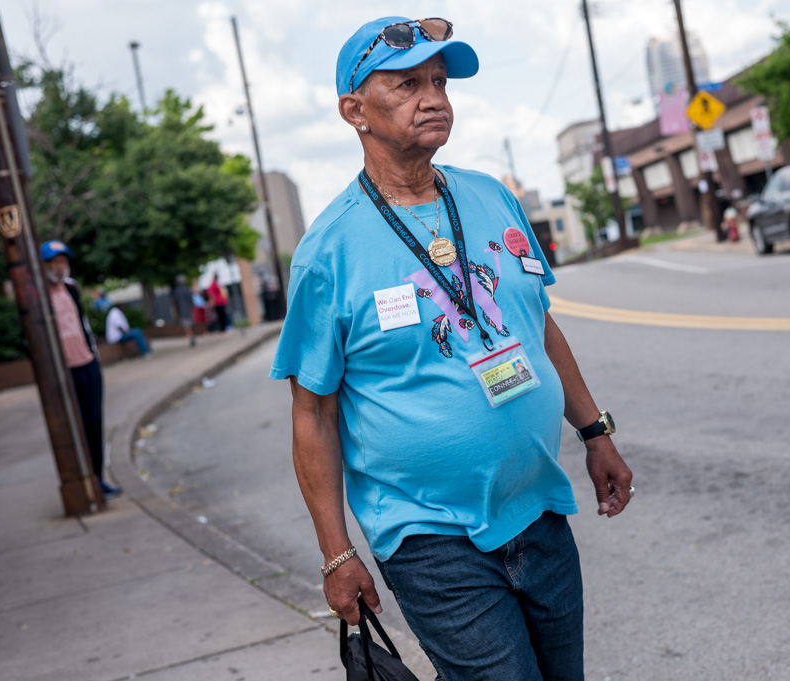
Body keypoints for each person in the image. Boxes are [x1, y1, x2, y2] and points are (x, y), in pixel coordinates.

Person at [270, 17, 633, 681]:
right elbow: (312, 413)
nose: (433, 96)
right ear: (355, 110)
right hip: (428, 535)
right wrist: (334, 552)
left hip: (537, 507)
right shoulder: (329, 251)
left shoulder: (492, 197)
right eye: (406, 84)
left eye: (438, 81)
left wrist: (595, 430)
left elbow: (538, 324)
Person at [40, 240, 120, 498]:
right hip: (64, 372)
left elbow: (82, 323)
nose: (59, 267)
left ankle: (98, 479)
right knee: (73, 427)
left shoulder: (71, 288)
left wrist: (93, 355)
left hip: (87, 363)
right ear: (43, 266)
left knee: (95, 422)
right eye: (53, 262)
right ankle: (81, 481)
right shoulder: (38, 295)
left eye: (62, 262)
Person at [172, 275, 196, 347]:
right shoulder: (187, 288)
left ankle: (190, 336)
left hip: (181, 310)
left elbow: (175, 302)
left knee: (185, 325)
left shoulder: (176, 290)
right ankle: (191, 336)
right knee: (189, 324)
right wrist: (193, 306)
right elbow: (191, 299)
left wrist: (175, 311)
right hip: (189, 309)